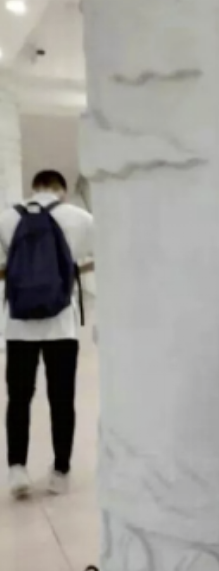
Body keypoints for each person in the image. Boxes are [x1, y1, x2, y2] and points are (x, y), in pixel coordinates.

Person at [0, 170, 94, 498]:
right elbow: (100, 254)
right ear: (61, 190)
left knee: (19, 399)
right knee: (62, 399)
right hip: (61, 323)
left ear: (34, 188)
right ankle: (60, 472)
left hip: (19, 324)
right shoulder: (79, 218)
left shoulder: (7, 218)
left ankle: (17, 470)